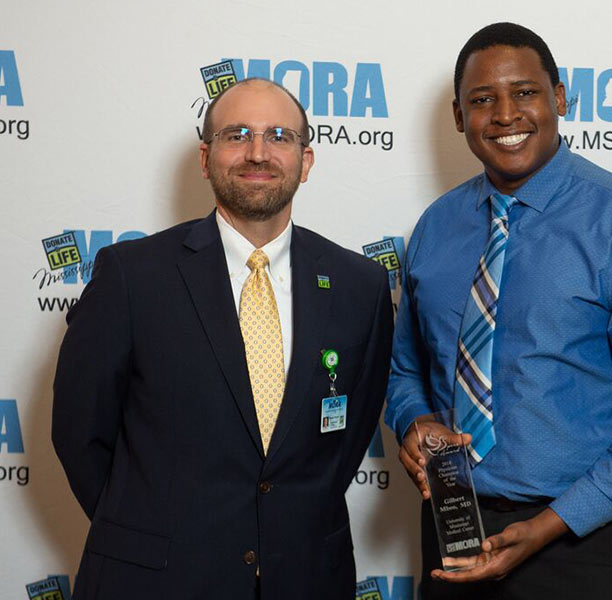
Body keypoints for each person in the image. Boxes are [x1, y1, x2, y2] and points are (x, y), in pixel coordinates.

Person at [385, 22, 612, 599]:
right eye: (482, 100)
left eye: (524, 93)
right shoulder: (436, 226)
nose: (505, 115)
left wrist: (550, 525)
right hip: (458, 530)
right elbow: (407, 369)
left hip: (590, 542)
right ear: (459, 117)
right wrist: (414, 420)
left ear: (558, 98)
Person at [52, 78, 393, 600]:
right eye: (238, 135)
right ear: (206, 157)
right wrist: (146, 530)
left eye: (279, 136)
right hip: (154, 581)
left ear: (306, 161)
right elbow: (79, 431)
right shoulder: (132, 276)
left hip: (304, 578)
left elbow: (343, 445)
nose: (258, 152)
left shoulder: (360, 285)